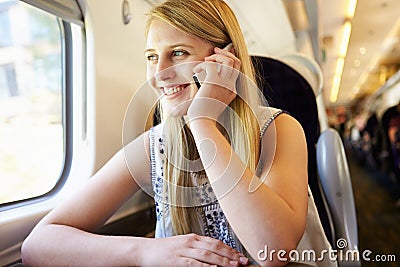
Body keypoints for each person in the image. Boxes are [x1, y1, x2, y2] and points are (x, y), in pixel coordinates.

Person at [21, 0, 333, 266]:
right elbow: (38, 246)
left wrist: (202, 121)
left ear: (225, 59)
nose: (159, 74)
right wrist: (146, 252)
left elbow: (272, 251)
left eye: (179, 53)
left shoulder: (277, 129)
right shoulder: (154, 146)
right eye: (152, 56)